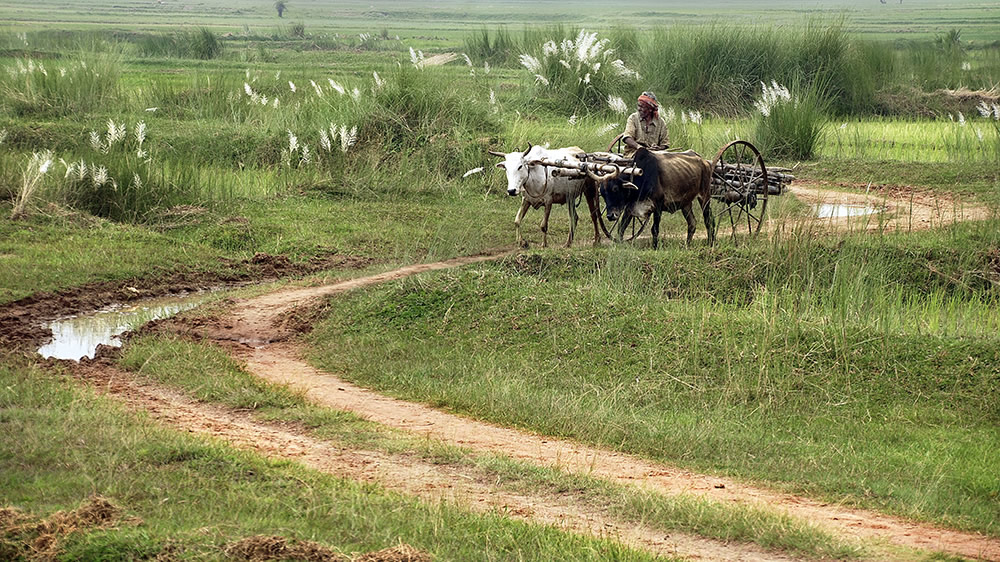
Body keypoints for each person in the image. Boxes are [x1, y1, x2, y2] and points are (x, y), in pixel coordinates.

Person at [621, 91, 668, 158]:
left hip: (654, 155)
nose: (639, 109)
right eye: (638, 106)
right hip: (634, 153)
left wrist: (658, 148)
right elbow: (627, 138)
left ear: (650, 109)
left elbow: (665, 144)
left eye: (642, 107)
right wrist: (639, 147)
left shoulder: (661, 122)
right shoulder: (633, 118)